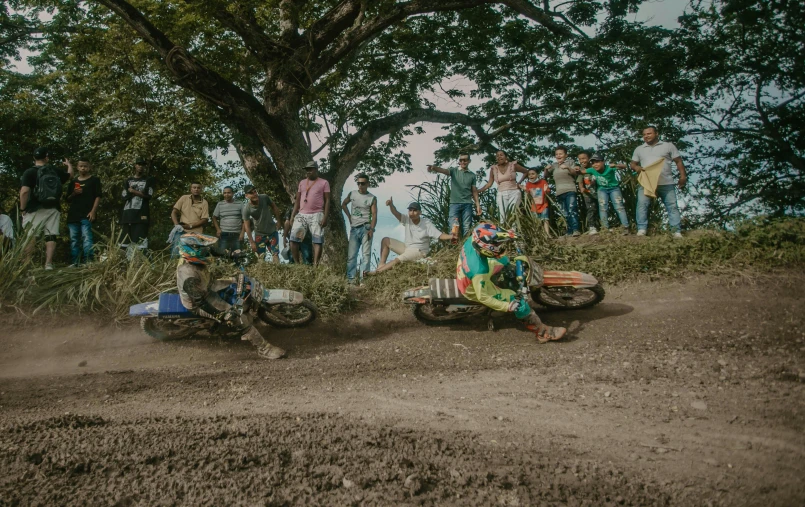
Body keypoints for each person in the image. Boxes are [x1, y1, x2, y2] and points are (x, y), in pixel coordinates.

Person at [176, 233, 286, 360]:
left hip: (209, 285)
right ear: (192, 251)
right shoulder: (187, 276)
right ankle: (263, 348)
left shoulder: (193, 256)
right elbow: (200, 302)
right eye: (201, 249)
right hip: (201, 301)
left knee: (239, 282)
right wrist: (221, 315)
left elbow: (212, 250)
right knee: (238, 317)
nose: (206, 251)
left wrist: (230, 254)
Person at [456, 222, 566, 343]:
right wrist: (506, 306)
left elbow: (491, 233)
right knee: (518, 302)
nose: (499, 244)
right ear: (487, 247)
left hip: (467, 273)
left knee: (504, 260)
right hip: (473, 288)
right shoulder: (479, 270)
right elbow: (482, 297)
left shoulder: (475, 237)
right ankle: (542, 332)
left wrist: (508, 234)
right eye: (497, 243)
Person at [19, 147, 74, 270]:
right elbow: (70, 175)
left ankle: (26, 264)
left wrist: (23, 208)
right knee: (51, 235)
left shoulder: (29, 172)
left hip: (34, 208)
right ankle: (48, 264)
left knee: (30, 235)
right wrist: (69, 164)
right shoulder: (54, 170)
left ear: (34, 158)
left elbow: (24, 192)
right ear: (47, 157)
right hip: (53, 207)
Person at [630, 126, 687, 238]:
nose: (646, 136)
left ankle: (676, 231)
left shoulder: (668, 146)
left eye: (649, 133)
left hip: (666, 182)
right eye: (644, 134)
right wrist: (636, 168)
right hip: (646, 183)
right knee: (642, 205)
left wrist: (683, 176)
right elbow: (633, 163)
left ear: (657, 133)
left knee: (672, 206)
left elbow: (678, 161)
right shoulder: (639, 149)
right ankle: (641, 230)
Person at [370, 199, 452, 275]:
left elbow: (440, 235)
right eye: (410, 210)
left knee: (397, 260)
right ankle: (381, 265)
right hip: (407, 248)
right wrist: (391, 205)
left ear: (420, 212)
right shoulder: (407, 219)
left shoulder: (426, 223)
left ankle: (377, 273)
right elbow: (395, 212)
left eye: (415, 210)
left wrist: (451, 236)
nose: (412, 213)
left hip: (419, 251)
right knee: (385, 240)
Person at [427, 153, 481, 241]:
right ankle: (454, 246)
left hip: (467, 203)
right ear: (459, 162)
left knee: (467, 226)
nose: (463, 162)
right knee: (453, 226)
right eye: (461, 160)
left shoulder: (472, 175)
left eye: (465, 160)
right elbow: (444, 171)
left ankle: (465, 245)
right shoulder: (454, 171)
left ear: (469, 161)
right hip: (454, 203)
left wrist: (478, 204)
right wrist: (434, 167)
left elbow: (474, 191)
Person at [290, 161, 330, 266]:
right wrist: (292, 215)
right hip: (302, 214)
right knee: (294, 239)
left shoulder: (324, 182)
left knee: (317, 240)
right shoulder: (302, 182)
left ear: (316, 170)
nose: (308, 172)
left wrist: (325, 216)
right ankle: (297, 264)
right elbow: (298, 200)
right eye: (307, 170)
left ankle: (316, 265)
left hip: (317, 213)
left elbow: (327, 200)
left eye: (310, 169)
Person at [341, 173, 377, 284]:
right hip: (354, 228)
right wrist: (349, 217)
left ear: (368, 184)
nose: (360, 185)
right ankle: (351, 280)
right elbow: (343, 204)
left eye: (363, 183)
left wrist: (371, 229)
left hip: (366, 227)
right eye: (358, 183)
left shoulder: (372, 198)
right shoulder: (352, 194)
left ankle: (363, 281)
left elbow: (374, 214)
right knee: (351, 256)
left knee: (366, 254)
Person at [65, 158, 102, 265]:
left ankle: (88, 261)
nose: (83, 168)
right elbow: (67, 199)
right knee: (74, 240)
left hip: (87, 214)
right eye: (81, 166)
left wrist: (93, 211)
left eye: (85, 166)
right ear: (77, 167)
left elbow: (98, 196)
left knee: (87, 238)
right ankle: (75, 262)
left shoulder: (94, 180)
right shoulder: (73, 182)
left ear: (89, 167)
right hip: (73, 215)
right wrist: (74, 194)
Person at [479, 150, 529, 223]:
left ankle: (513, 233)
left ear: (506, 157)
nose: (499, 157)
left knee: (513, 215)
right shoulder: (494, 169)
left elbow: (526, 172)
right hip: (501, 193)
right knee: (502, 216)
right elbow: (489, 184)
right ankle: (504, 233)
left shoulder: (513, 165)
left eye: (501, 155)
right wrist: (478, 191)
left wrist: (519, 183)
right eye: (497, 156)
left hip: (514, 192)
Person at [586, 154, 630, 234]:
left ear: (603, 162)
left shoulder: (609, 167)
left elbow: (624, 166)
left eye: (597, 162)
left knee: (619, 207)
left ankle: (625, 227)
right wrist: (575, 169)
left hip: (614, 189)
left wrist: (615, 165)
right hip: (602, 189)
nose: (595, 164)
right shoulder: (592, 170)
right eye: (593, 163)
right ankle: (605, 229)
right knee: (603, 208)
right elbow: (581, 171)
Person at [544, 146, 581, 237]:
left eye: (560, 154)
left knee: (572, 209)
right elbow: (546, 176)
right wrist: (546, 169)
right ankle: (569, 231)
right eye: (556, 154)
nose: (558, 155)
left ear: (566, 155)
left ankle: (576, 230)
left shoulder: (570, 162)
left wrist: (568, 168)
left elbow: (575, 173)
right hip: (559, 192)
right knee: (565, 212)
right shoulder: (554, 165)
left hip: (570, 189)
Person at [120, 158, 155, 251]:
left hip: (141, 213)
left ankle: (140, 262)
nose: (140, 167)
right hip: (128, 213)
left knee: (140, 240)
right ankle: (123, 262)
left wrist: (133, 191)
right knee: (124, 241)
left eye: (143, 165)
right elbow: (124, 196)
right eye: (139, 164)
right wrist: (139, 192)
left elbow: (148, 195)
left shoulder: (149, 179)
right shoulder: (128, 180)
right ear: (135, 165)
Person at [242, 184, 282, 263]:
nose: (254, 194)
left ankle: (278, 271)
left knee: (275, 254)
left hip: (272, 232)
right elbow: (247, 227)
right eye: (251, 193)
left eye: (255, 191)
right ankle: (262, 274)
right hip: (259, 235)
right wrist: (252, 242)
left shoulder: (264, 197)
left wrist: (279, 221)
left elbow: (274, 207)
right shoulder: (246, 209)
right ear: (246, 196)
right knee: (260, 257)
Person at [212, 186, 244, 254]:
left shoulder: (240, 203)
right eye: (225, 193)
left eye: (229, 193)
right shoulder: (220, 204)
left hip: (237, 235)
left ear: (233, 193)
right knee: (223, 256)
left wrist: (242, 233)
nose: (226, 194)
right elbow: (214, 217)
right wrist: (218, 229)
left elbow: (245, 220)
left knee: (237, 256)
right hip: (223, 234)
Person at [520, 168, 551, 237]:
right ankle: (539, 235)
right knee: (537, 221)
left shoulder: (543, 182)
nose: (531, 176)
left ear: (537, 174)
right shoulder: (528, 184)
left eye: (533, 174)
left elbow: (548, 192)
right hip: (534, 206)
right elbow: (528, 196)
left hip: (543, 204)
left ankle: (547, 234)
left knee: (545, 219)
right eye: (529, 174)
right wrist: (525, 190)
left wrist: (546, 190)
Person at [576, 151, 599, 235]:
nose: (582, 161)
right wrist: (581, 188)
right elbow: (580, 181)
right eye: (580, 159)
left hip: (599, 192)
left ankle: (603, 225)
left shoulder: (594, 167)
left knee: (600, 209)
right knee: (591, 209)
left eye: (584, 158)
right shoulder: (581, 170)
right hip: (587, 194)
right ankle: (592, 227)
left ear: (589, 159)